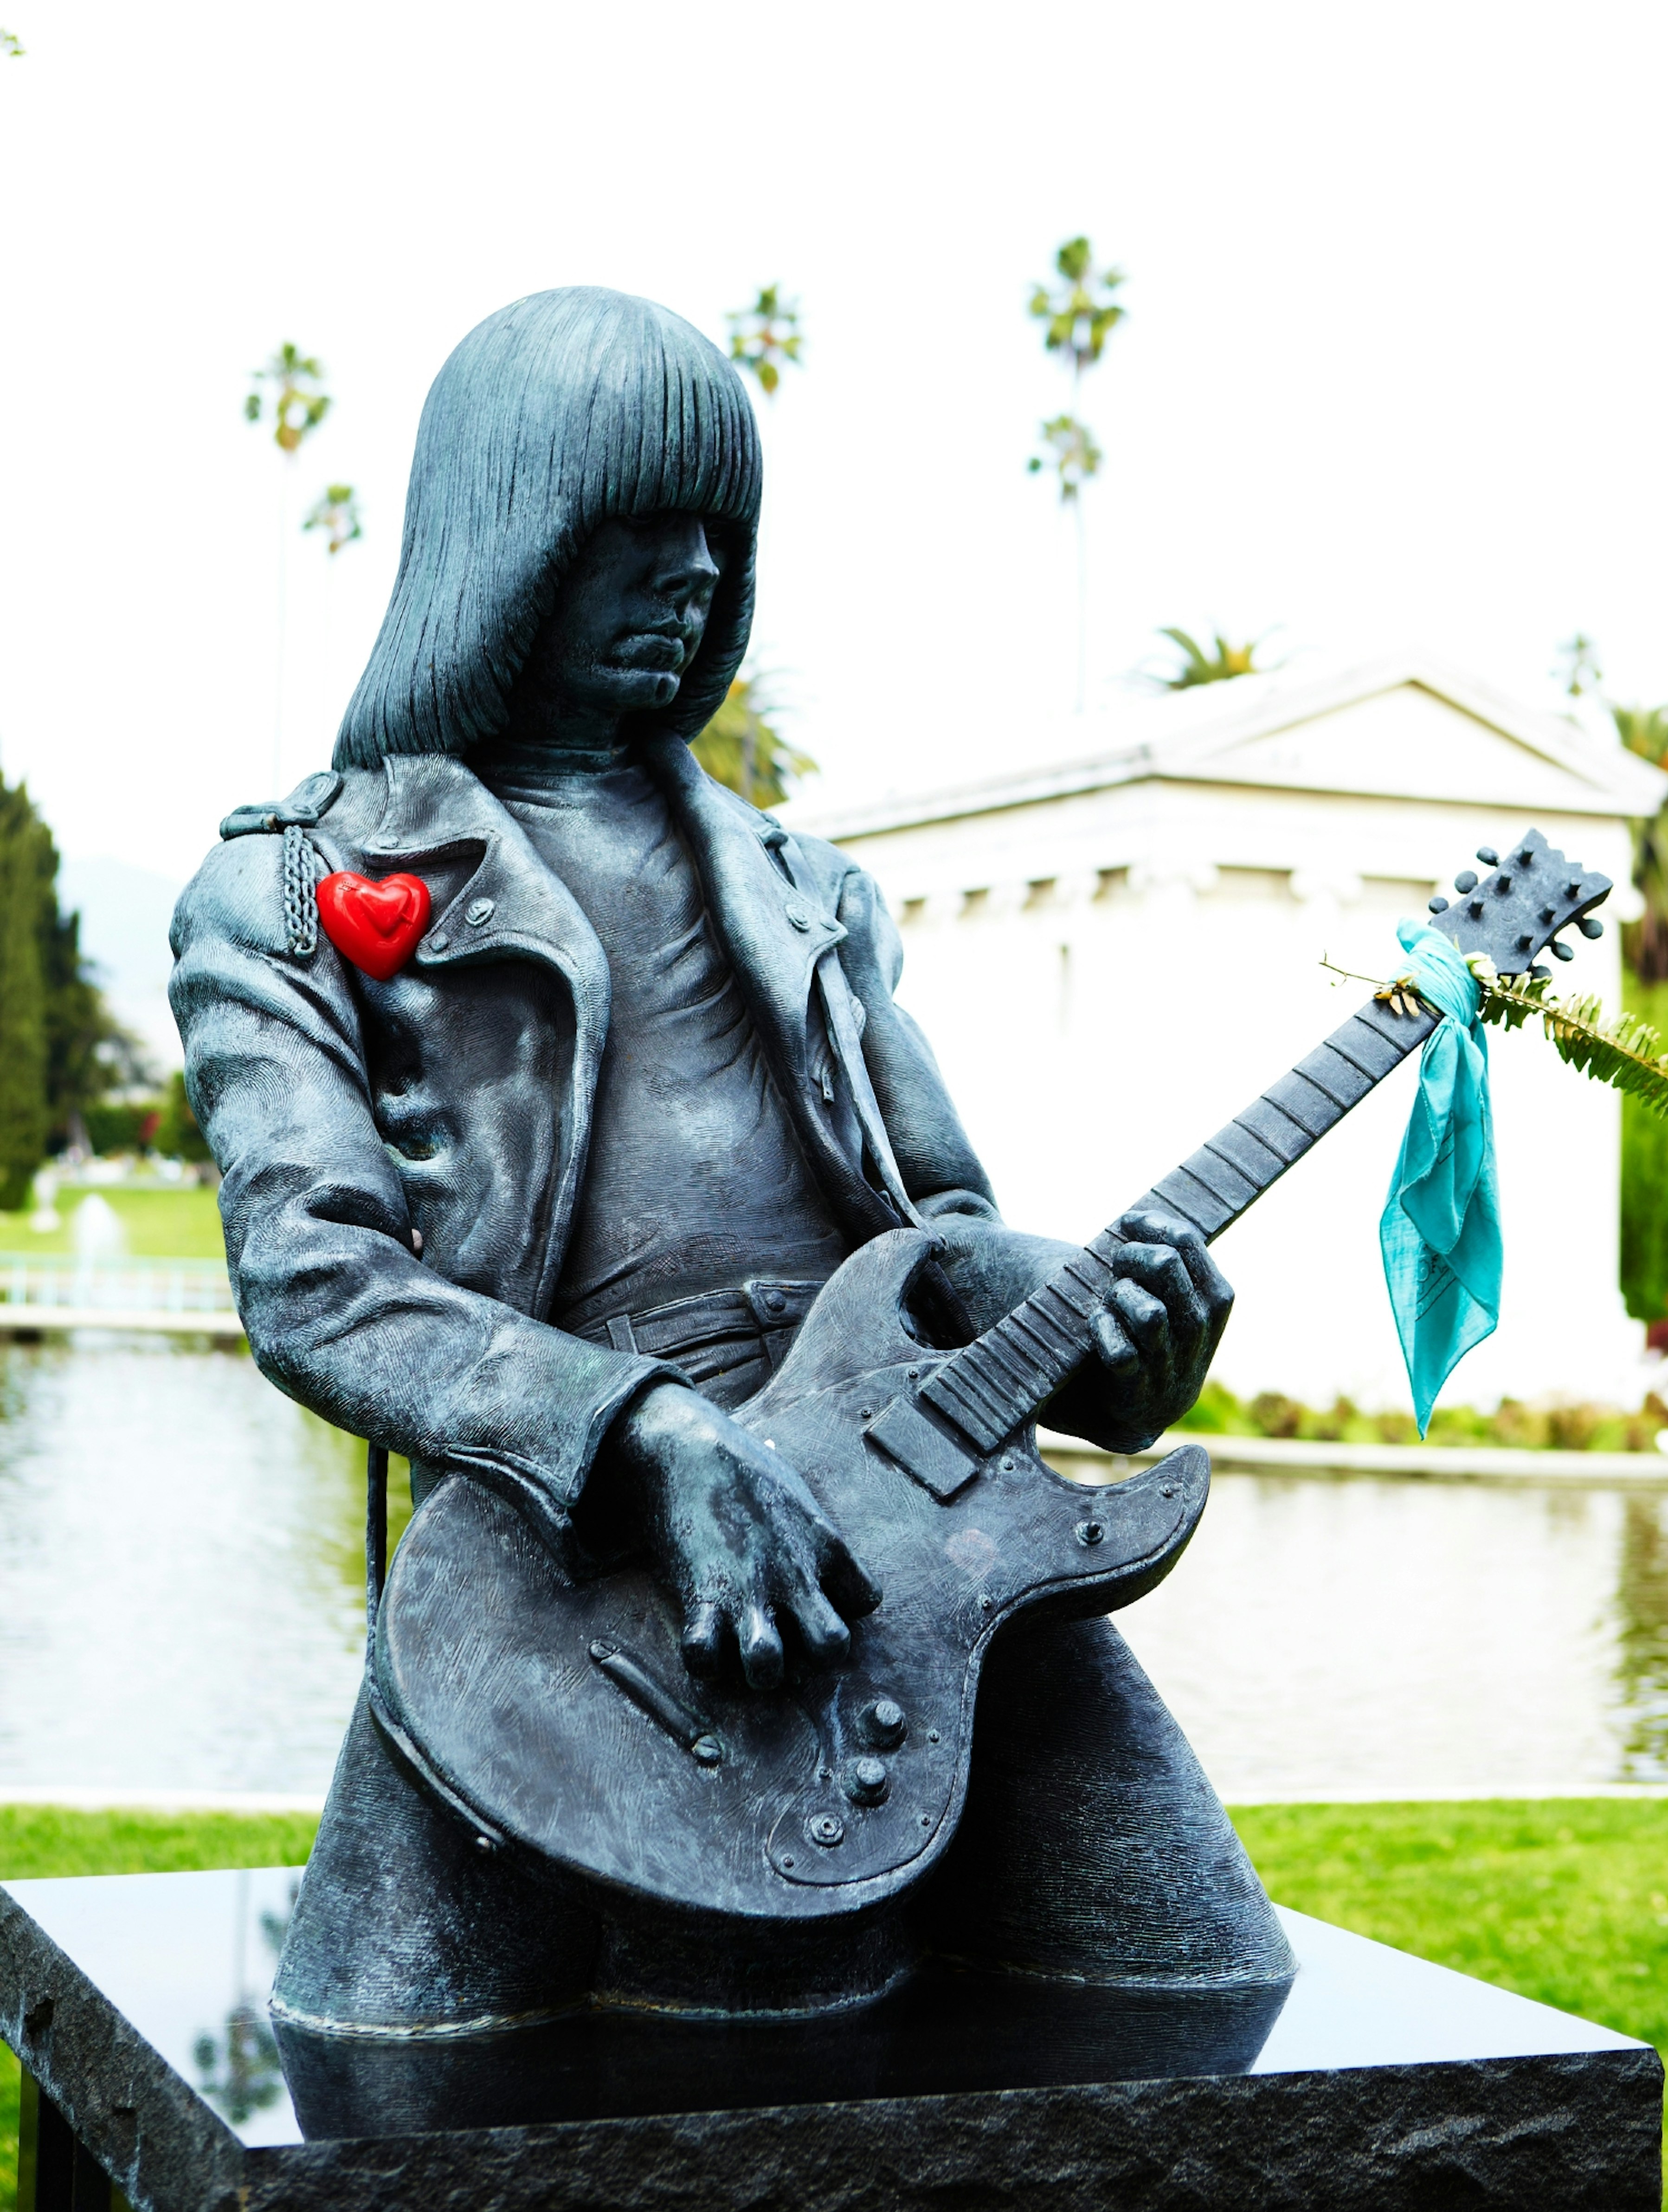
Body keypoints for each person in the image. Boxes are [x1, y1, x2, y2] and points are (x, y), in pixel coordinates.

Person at [171, 287, 1290, 2046]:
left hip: (910, 1526)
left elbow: (936, 1235)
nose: (688, 571)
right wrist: (641, 1436)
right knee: (397, 2057)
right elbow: (318, 1281)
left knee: (1197, 1976)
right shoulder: (289, 890)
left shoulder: (810, 891)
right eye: (633, 527)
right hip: (555, 1576)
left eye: (717, 531)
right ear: (508, 541)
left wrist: (1085, 1328)